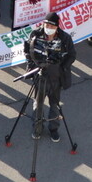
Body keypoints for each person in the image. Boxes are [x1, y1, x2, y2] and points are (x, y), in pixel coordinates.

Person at [23, 12, 77, 142]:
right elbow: (28, 51)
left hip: (56, 78)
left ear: (57, 27)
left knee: (54, 105)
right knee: (38, 104)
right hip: (39, 76)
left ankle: (54, 129)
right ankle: (37, 128)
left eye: (52, 27)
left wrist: (63, 67)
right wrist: (31, 65)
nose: (48, 29)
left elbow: (72, 55)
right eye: (46, 25)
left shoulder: (65, 38)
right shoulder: (35, 35)